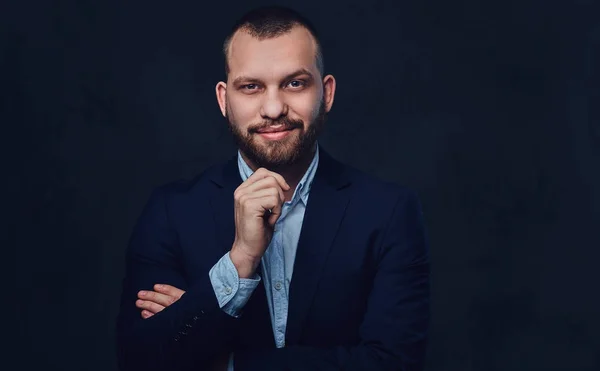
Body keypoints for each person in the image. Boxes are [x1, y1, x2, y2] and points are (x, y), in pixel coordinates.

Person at [116, 5, 430, 371]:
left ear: (326, 93)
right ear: (223, 100)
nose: (273, 107)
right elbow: (140, 361)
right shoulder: (171, 212)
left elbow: (393, 364)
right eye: (251, 87)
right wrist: (240, 261)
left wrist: (229, 364)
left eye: (294, 83)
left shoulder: (389, 212)